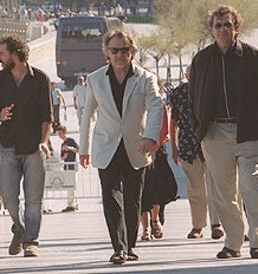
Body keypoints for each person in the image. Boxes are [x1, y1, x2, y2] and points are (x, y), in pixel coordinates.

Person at [189, 5, 258, 259]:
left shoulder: (253, 58)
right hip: (215, 133)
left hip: (249, 132)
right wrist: (199, 131)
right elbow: (192, 98)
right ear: (211, 30)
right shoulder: (202, 60)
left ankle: (257, 241)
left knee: (254, 186)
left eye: (227, 25)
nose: (222, 30)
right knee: (223, 192)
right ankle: (232, 242)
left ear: (236, 28)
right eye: (218, 25)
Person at [79, 30, 163, 264]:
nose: (119, 55)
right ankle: (118, 247)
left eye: (124, 50)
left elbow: (156, 108)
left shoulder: (146, 78)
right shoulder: (95, 79)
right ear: (107, 52)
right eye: (114, 50)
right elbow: (87, 115)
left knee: (133, 200)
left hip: (137, 145)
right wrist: (83, 148)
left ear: (132, 52)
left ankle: (130, 245)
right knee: (111, 197)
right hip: (106, 146)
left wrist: (150, 137)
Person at [0, 34, 53, 257]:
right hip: (8, 145)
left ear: (14, 55)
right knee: (7, 194)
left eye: (2, 53)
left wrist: (44, 141)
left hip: (34, 147)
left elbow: (47, 116)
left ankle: (31, 241)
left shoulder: (40, 79)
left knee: (34, 198)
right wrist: (1, 115)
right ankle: (19, 227)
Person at [170, 66, 224, 240]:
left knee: (215, 185)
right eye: (191, 74)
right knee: (195, 188)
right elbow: (174, 122)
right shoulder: (178, 93)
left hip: (212, 143)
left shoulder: (212, 90)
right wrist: (174, 148)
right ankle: (198, 226)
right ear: (186, 75)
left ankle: (217, 224)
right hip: (188, 146)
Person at [140, 80, 178, 241]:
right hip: (138, 150)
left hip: (157, 151)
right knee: (142, 191)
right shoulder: (137, 101)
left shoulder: (159, 105)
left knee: (156, 189)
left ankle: (155, 220)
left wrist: (154, 148)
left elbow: (163, 128)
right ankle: (145, 228)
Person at [56, 125, 79, 212]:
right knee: (69, 186)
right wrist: (64, 156)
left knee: (72, 186)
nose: (59, 135)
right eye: (58, 134)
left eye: (60, 133)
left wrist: (70, 148)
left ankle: (72, 204)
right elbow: (61, 157)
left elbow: (78, 150)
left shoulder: (71, 141)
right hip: (67, 166)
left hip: (73, 166)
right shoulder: (62, 144)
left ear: (65, 133)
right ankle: (71, 203)